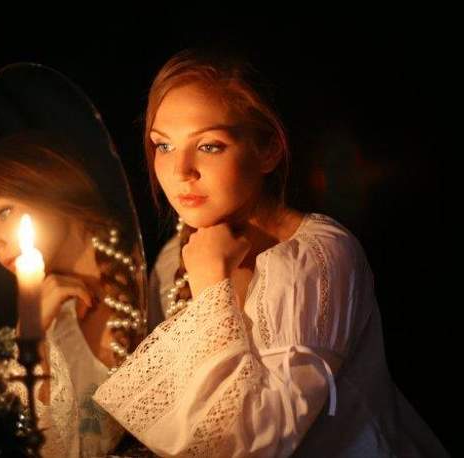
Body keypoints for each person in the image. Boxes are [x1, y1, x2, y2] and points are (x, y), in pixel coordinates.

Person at [92, 48, 449, 457]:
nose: (180, 171)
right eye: (164, 146)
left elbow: (259, 443)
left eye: (209, 146)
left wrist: (212, 286)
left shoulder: (316, 257)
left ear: (268, 150)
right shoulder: (176, 255)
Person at [0, 132, 146, 457]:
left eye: (2, 212)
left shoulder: (153, 265)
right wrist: (32, 339)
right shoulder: (50, 315)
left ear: (50, 187)